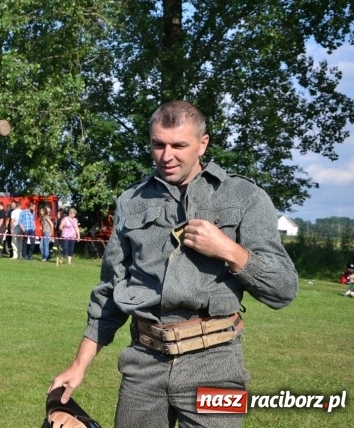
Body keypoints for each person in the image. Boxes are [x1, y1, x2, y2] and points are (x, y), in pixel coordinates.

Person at [49, 100, 299, 428]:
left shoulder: (243, 197)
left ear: (202, 144)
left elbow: (283, 289)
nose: (167, 156)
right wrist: (78, 364)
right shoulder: (131, 202)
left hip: (217, 365)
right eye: (158, 144)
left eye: (179, 145)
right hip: (143, 365)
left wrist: (229, 250)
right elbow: (110, 292)